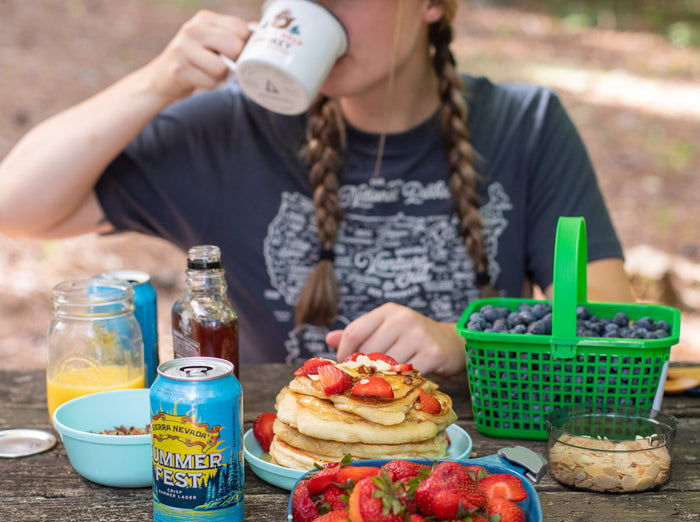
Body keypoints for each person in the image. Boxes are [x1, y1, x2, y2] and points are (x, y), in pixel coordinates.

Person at [0, 0, 633, 376]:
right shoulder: (231, 128)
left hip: (476, 474)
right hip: (279, 476)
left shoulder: (527, 126)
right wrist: (160, 81)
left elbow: (610, 325)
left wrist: (462, 340)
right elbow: (17, 205)